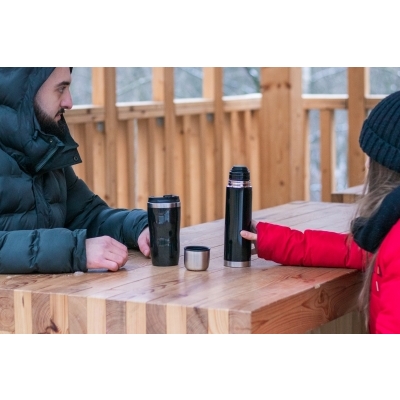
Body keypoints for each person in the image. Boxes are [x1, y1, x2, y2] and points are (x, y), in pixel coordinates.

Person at [241, 90, 400, 334]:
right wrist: (272, 240)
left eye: (371, 156)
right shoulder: (388, 234)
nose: (366, 164)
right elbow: (350, 251)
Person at [0, 67, 150, 274]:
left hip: (47, 293)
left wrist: (140, 226)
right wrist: (75, 250)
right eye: (61, 89)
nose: (69, 102)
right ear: (25, 91)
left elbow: (87, 217)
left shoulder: (46, 150)